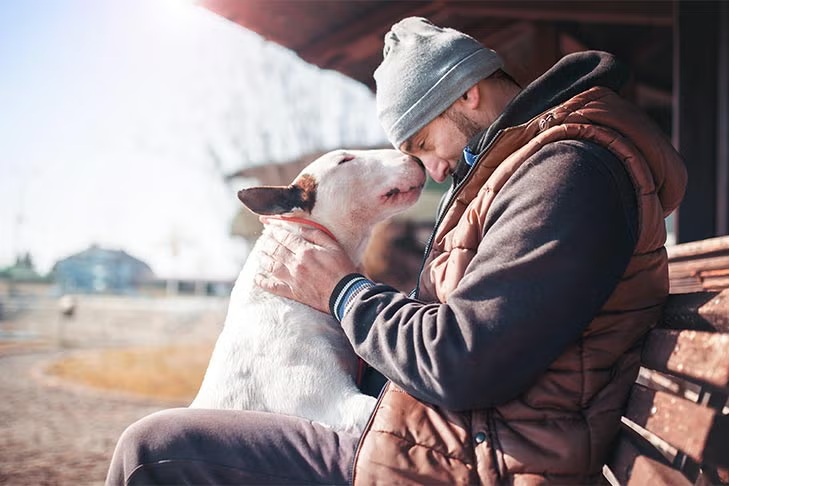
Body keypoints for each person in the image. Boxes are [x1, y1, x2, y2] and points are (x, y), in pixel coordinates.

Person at [105, 16, 687, 485]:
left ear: (469, 93)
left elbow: (461, 360)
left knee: (153, 450)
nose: (431, 167)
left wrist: (340, 289)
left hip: (473, 460)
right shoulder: (534, 170)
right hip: (450, 434)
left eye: (423, 141)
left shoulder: (567, 173)